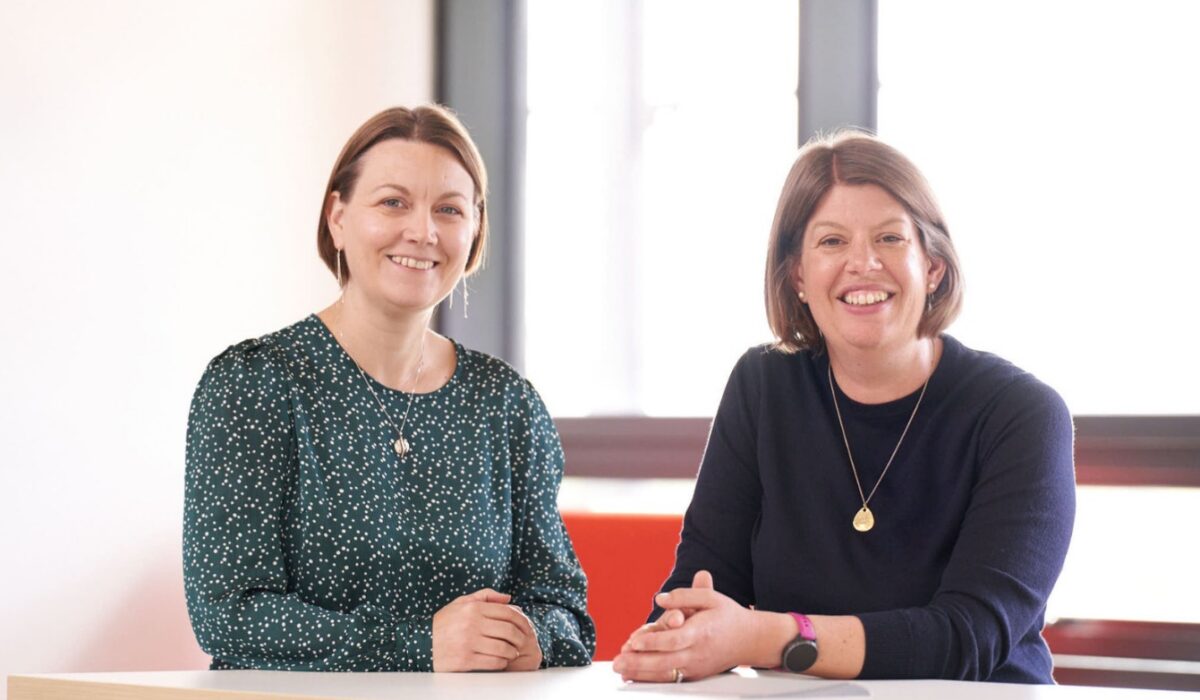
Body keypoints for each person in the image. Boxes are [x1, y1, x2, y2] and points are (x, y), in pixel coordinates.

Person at [613, 131, 1075, 684]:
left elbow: (966, 638)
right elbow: (705, 581)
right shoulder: (763, 386)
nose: (863, 263)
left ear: (933, 266)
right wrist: (676, 636)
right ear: (798, 276)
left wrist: (767, 636)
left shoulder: (1022, 414)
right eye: (832, 241)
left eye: (889, 238)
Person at [183, 105, 595, 672]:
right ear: (338, 218)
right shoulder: (254, 383)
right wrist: (422, 646)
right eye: (393, 202)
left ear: (474, 231)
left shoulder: (506, 403)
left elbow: (567, 615)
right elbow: (227, 615)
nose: (423, 232)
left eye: (449, 209)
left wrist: (532, 636)